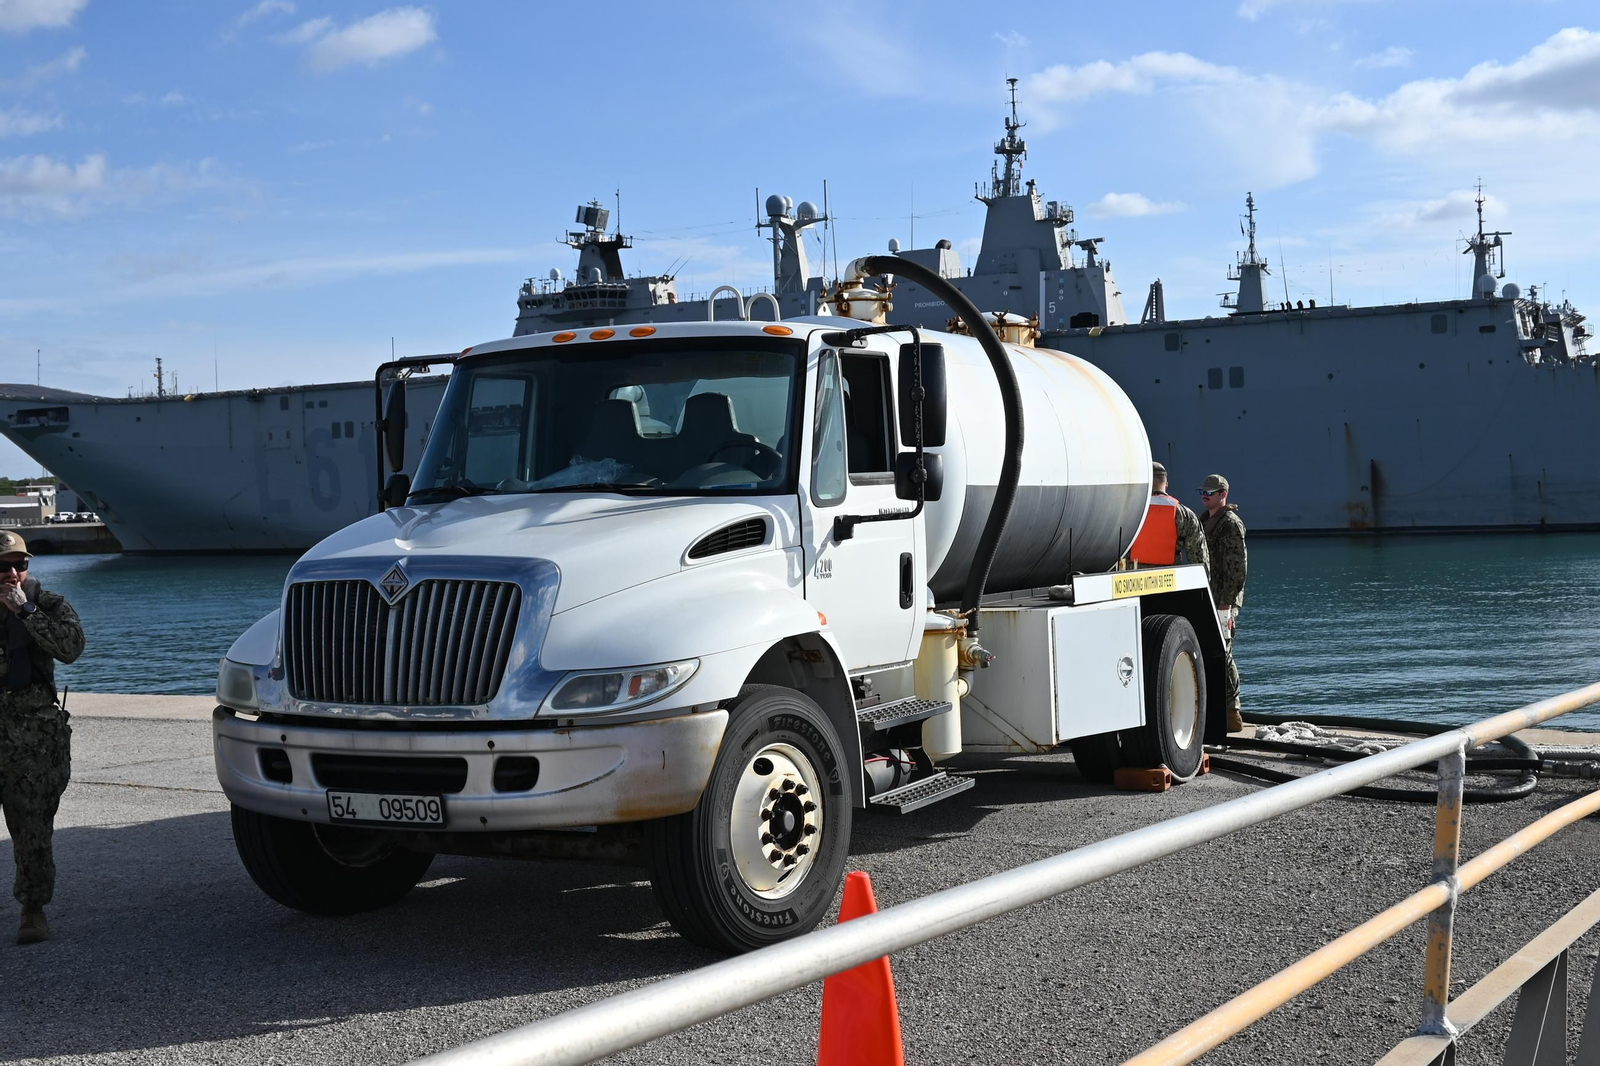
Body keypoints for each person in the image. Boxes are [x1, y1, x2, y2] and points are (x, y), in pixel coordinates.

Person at [0, 531, 84, 945]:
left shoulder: (47, 604)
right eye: (2, 567)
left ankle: (32, 909)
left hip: (32, 740)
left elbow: (71, 649)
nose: (13, 574)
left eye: (20, 565)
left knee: (33, 829)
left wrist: (25, 612)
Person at [1198, 474, 1247, 734]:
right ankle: (1217, 710)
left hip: (1223, 600)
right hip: (1209, 596)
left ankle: (1232, 712)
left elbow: (1239, 567)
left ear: (1223, 494)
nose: (1205, 496)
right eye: (1203, 492)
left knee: (1225, 652)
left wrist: (1227, 601)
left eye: (1211, 492)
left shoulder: (1230, 524)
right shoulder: (1205, 521)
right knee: (1213, 651)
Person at [1128, 462, 1210, 571]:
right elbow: (1199, 557)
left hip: (1134, 581)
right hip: (1169, 581)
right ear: (1166, 484)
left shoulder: (1129, 512)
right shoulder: (1184, 514)